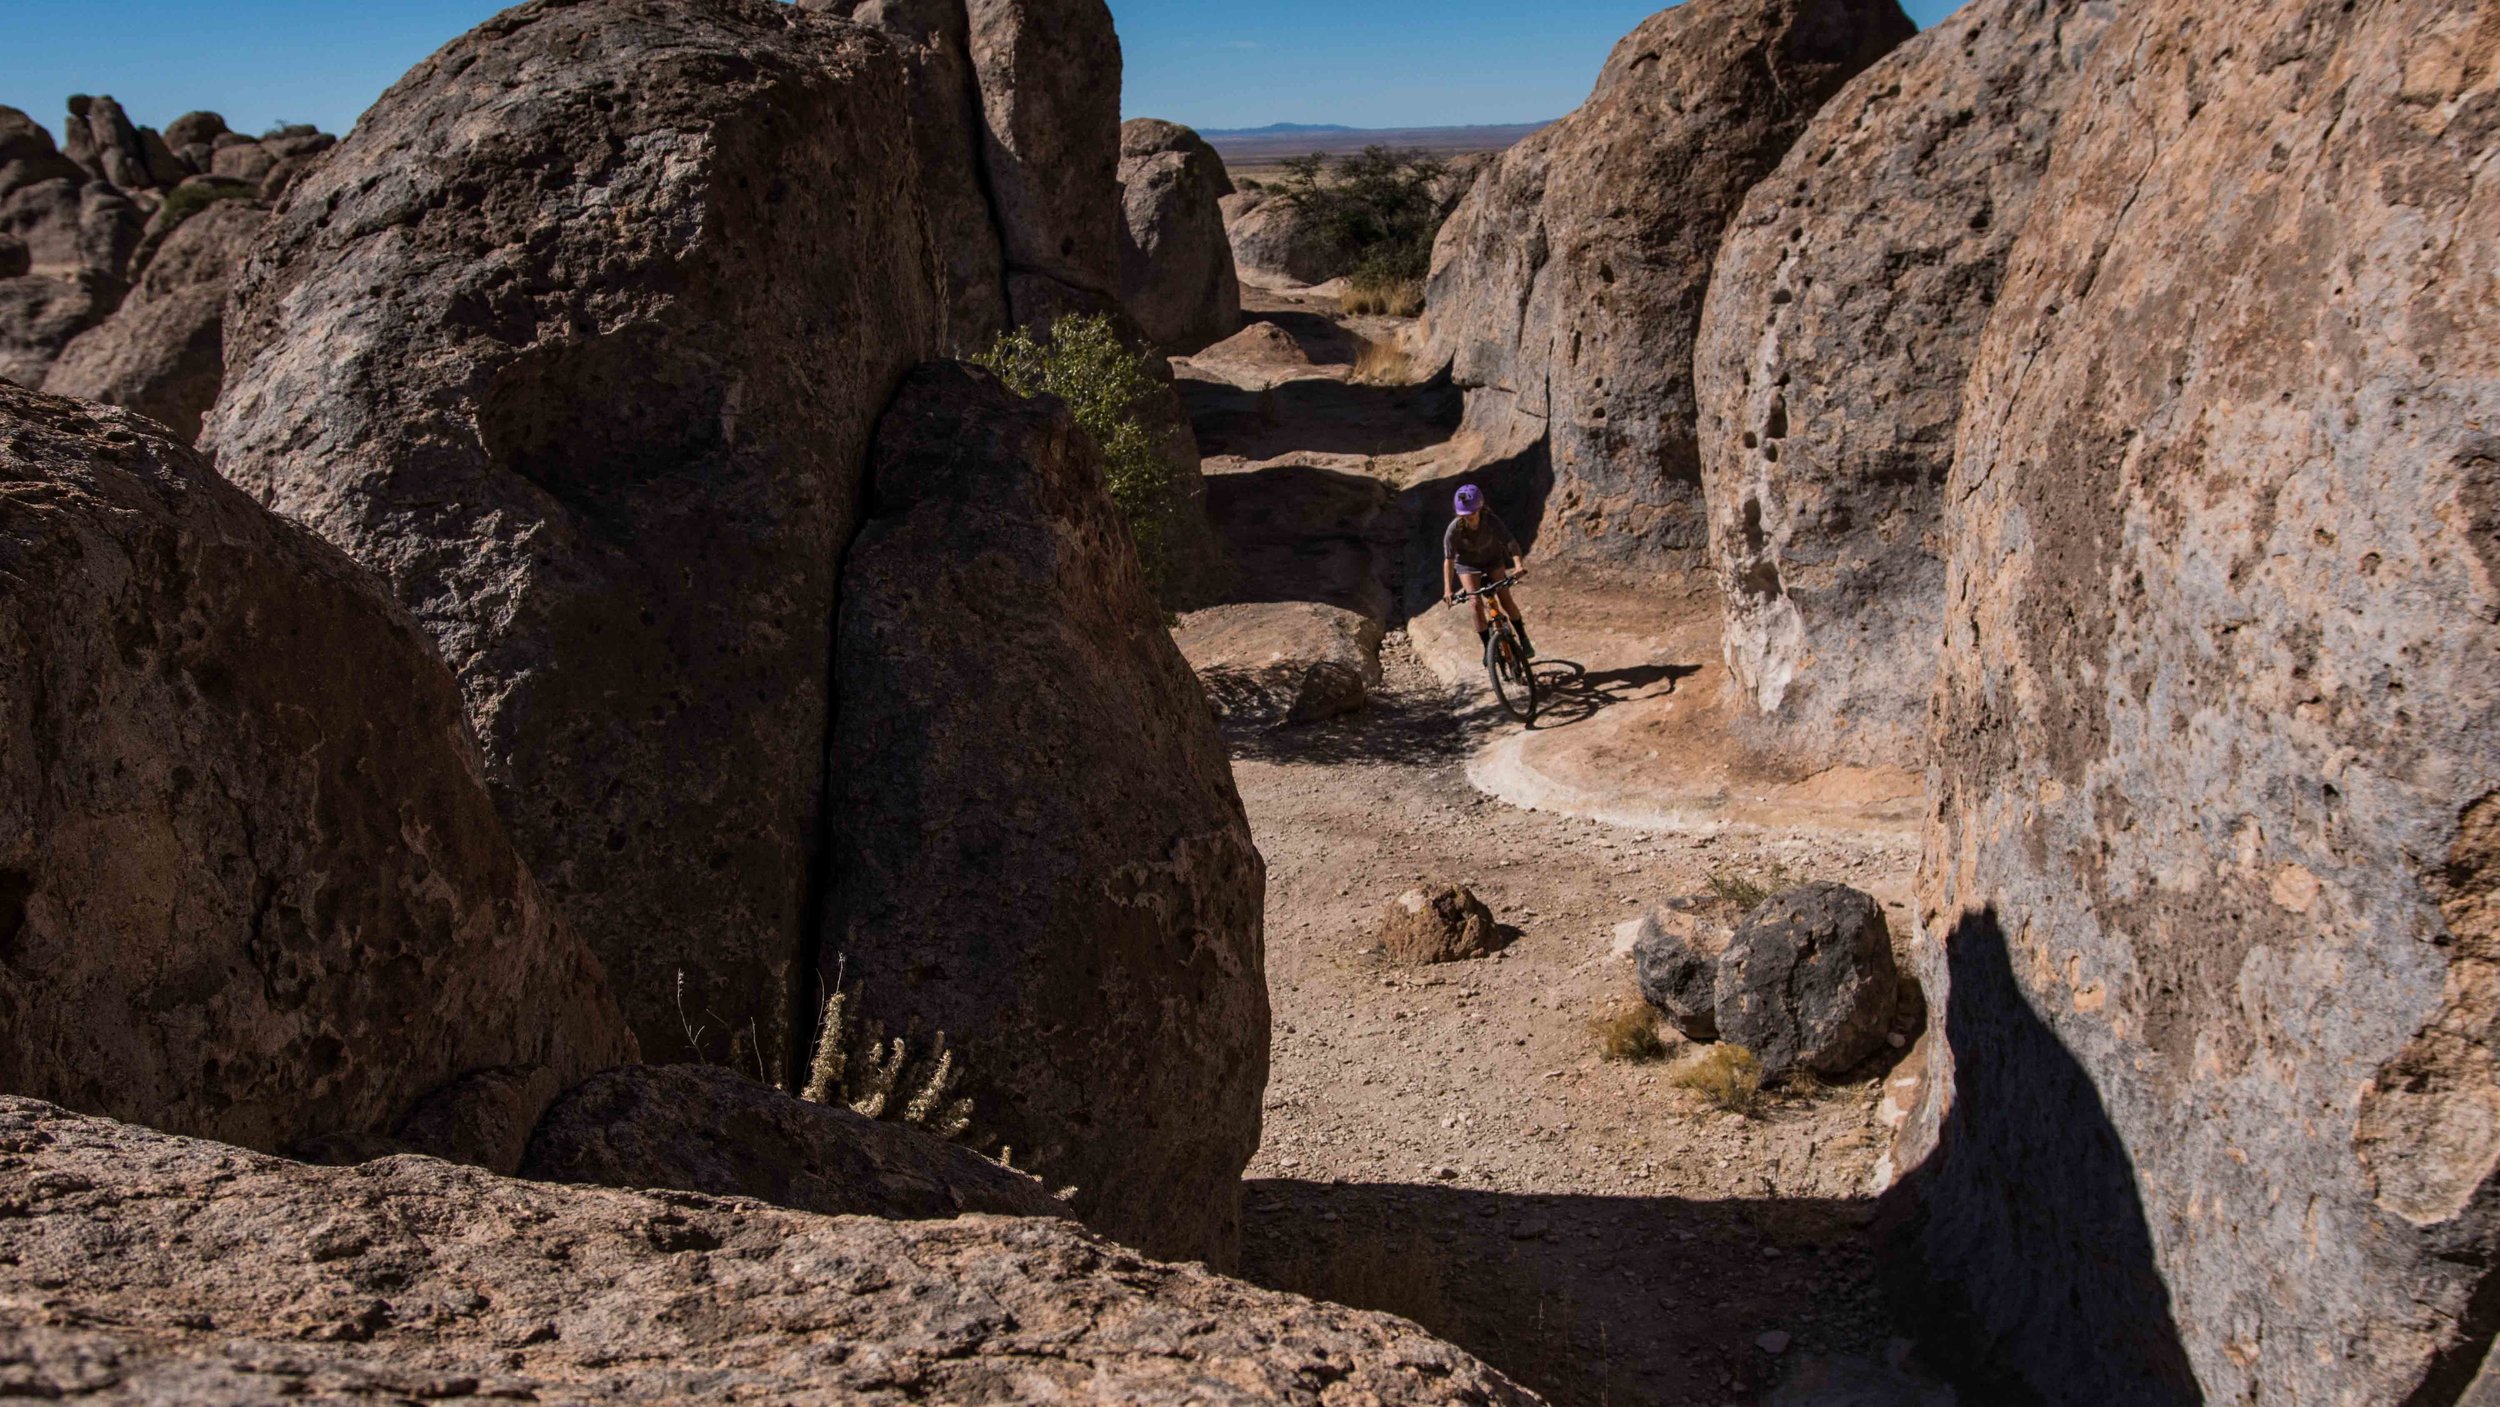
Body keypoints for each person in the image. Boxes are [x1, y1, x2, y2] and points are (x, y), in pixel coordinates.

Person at [1441, 483, 1533, 658]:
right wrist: (1448, 589)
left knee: (1505, 598)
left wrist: (1518, 565)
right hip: (1468, 566)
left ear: (1480, 508)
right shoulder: (1453, 529)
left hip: (1493, 561)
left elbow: (1510, 542)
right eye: (1465, 515)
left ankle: (1523, 637)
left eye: (1473, 513)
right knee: (1475, 603)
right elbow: (1449, 560)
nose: (1470, 518)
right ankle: (1488, 650)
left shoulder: (1491, 520)